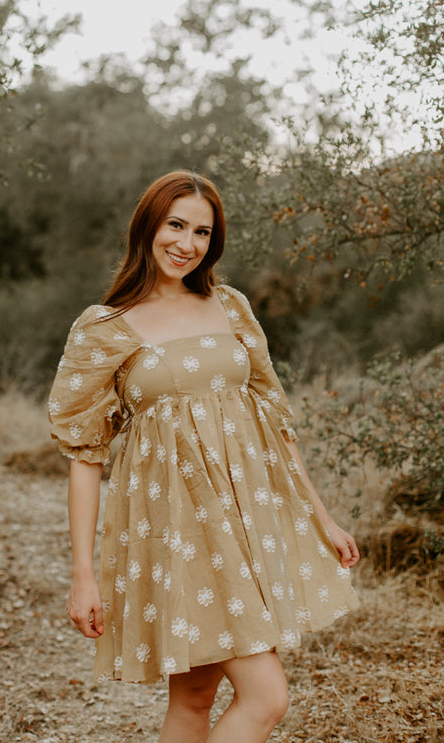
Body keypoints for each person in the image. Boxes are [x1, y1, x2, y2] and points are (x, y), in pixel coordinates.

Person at [48, 170, 359, 743]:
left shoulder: (231, 307)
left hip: (247, 523)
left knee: (193, 702)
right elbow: (85, 455)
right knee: (266, 698)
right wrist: (83, 576)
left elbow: (274, 421)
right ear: (148, 225)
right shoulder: (105, 329)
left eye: (201, 232)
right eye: (175, 225)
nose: (185, 244)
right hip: (176, 530)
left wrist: (321, 514)